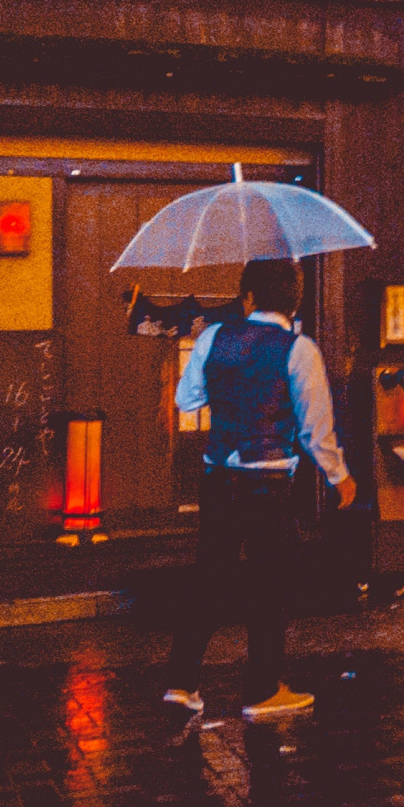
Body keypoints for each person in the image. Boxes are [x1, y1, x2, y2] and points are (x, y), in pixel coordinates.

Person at [165, 257, 354, 720]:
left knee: (209, 577)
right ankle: (262, 689)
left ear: (247, 297)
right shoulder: (299, 349)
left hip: (217, 479)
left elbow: (186, 399)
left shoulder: (212, 338)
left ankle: (181, 683)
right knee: (271, 584)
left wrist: (227, 383)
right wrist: (339, 476)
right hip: (268, 485)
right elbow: (315, 429)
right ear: (294, 301)